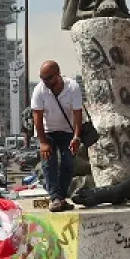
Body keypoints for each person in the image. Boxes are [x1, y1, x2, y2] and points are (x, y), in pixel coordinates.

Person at [31, 59, 84, 212]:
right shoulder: (39, 90)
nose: (45, 82)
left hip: (67, 131)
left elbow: (77, 115)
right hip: (47, 132)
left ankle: (59, 198)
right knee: (49, 163)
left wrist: (76, 137)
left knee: (68, 163)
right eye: (42, 78)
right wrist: (43, 142)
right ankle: (56, 198)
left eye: (48, 78)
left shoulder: (72, 87)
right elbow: (37, 118)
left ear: (58, 75)